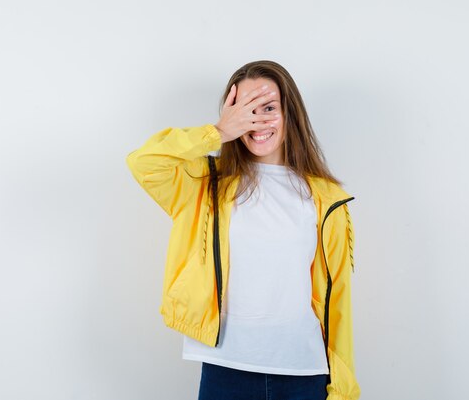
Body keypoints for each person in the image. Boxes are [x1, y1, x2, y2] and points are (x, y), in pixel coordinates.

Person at [126, 60, 360, 400]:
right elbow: (143, 162)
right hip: (226, 371)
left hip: (304, 374)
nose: (257, 120)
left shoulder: (326, 199)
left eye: (267, 108)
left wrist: (343, 390)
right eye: (245, 109)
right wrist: (217, 133)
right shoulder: (205, 183)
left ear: (290, 113)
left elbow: (335, 301)